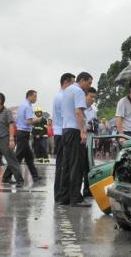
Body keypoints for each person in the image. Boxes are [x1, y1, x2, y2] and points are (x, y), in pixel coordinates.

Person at [60, 72, 93, 207]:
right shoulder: (78, 91)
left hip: (66, 129)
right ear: (82, 80)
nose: (89, 86)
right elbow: (78, 112)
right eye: (89, 83)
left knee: (66, 165)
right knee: (76, 166)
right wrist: (82, 131)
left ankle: (65, 196)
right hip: (74, 130)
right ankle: (76, 198)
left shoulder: (66, 90)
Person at [2, 90, 42, 182]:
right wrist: (38, 119)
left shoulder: (22, 106)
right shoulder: (28, 107)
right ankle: (6, 177)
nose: (36, 99)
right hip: (24, 133)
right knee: (17, 157)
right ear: (30, 96)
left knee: (29, 157)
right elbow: (29, 121)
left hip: (21, 133)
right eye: (35, 96)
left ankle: (35, 176)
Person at [53, 73, 76, 203]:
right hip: (62, 133)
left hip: (61, 132)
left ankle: (60, 195)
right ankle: (61, 196)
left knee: (62, 166)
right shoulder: (63, 97)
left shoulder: (60, 95)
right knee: (62, 166)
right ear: (66, 82)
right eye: (72, 83)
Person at [81, 87, 97, 197]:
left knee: (89, 167)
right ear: (85, 96)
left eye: (94, 97)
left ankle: (88, 190)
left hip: (91, 142)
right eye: (91, 96)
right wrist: (87, 126)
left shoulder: (94, 112)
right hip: (81, 141)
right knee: (80, 167)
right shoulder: (79, 109)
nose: (92, 99)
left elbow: (95, 127)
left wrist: (93, 126)